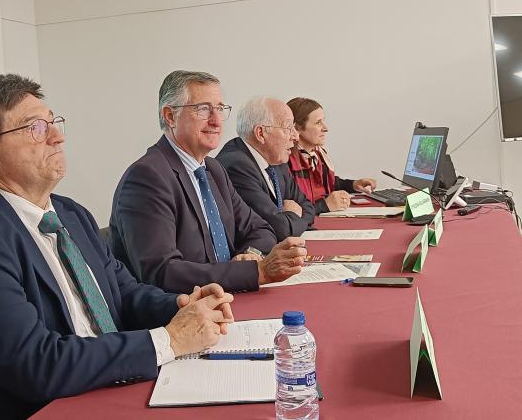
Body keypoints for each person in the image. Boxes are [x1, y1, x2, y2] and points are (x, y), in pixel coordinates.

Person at [0, 74, 235, 420]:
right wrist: (169, 340)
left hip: (108, 381)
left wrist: (180, 305)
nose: (58, 136)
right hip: (51, 406)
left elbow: (124, 294)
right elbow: (38, 366)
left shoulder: (70, 213)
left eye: (54, 122)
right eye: (35, 128)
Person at [109, 71, 307, 294]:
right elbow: (162, 272)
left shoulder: (213, 169)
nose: (215, 121)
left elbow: (260, 229)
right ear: (170, 116)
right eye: (203, 109)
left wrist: (251, 254)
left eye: (220, 109)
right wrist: (256, 271)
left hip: (225, 298)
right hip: (179, 313)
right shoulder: (147, 177)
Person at [216, 97, 315, 241]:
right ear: (261, 133)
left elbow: (307, 207)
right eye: (288, 128)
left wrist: (290, 218)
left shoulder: (276, 159)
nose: (295, 136)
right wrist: (294, 214)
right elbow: (279, 229)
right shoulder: (237, 166)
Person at [286, 97, 376, 215]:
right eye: (318, 123)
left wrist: (353, 184)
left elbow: (327, 183)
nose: (326, 128)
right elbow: (292, 210)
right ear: (297, 128)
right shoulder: (285, 161)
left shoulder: (317, 155)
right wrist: (324, 205)